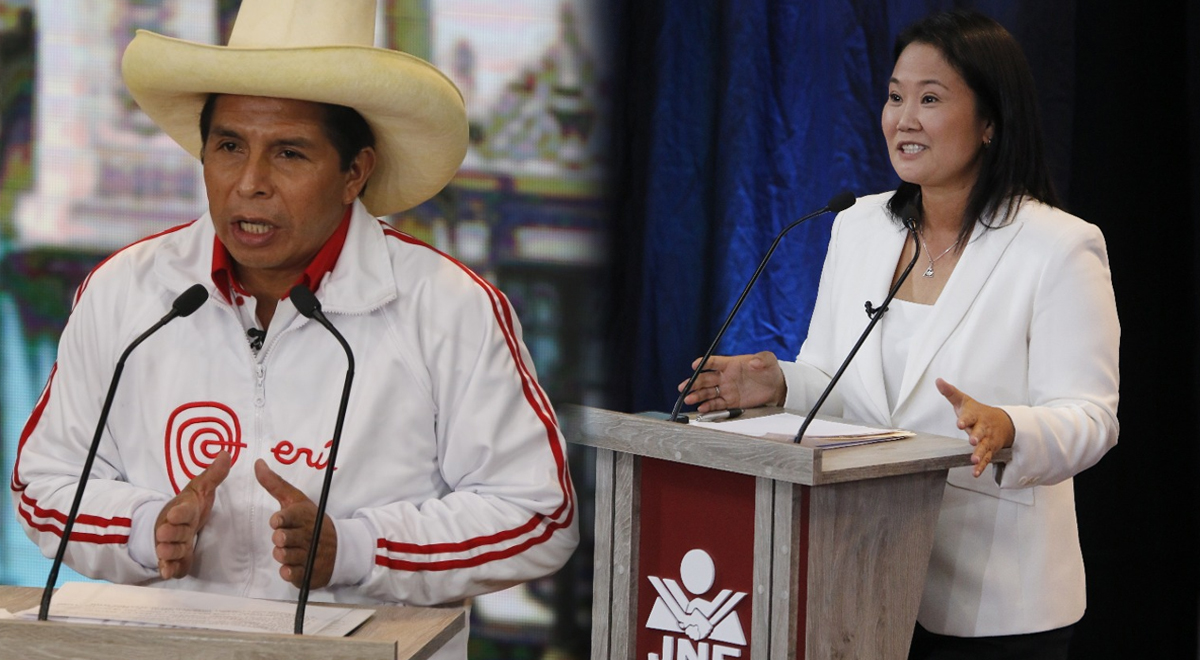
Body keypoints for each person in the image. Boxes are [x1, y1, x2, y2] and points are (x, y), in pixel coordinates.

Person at [10, 2, 577, 658]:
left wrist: (356, 549)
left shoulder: (450, 307)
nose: (249, 184)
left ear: (354, 173)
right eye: (228, 147)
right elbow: (44, 482)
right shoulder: (125, 293)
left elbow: (538, 518)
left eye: (288, 153)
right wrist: (144, 529)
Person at [680, 10, 1118, 660]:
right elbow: (842, 388)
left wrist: (1011, 428)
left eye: (930, 98)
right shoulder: (857, 226)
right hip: (860, 576)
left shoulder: (1058, 246)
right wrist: (780, 383)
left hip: (996, 599)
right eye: (894, 96)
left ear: (990, 121)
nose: (903, 118)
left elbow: (1092, 416)